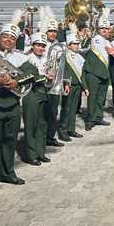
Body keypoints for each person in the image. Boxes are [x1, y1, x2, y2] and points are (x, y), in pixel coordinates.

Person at [0, 9, 39, 193]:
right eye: (5, 37)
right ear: (0, 37)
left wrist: (16, 81)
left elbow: (33, 73)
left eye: (12, 38)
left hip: (12, 106)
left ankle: (8, 173)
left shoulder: (20, 56)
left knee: (9, 140)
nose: (8, 40)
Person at [83, 9, 114, 130]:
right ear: (98, 29)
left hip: (104, 74)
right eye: (102, 28)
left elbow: (113, 53)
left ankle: (98, 117)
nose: (104, 30)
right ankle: (90, 120)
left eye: (106, 29)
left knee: (101, 98)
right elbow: (87, 43)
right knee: (92, 98)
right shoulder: (95, 38)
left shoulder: (107, 41)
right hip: (93, 73)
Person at [22, 31, 51, 165]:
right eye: (38, 45)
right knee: (31, 124)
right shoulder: (27, 58)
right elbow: (29, 77)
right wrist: (46, 77)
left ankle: (41, 152)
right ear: (32, 45)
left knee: (42, 124)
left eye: (43, 46)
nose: (41, 48)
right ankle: (31, 154)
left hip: (43, 91)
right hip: (31, 93)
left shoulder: (45, 58)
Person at [58, 23, 89, 142]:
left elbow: (82, 75)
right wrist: (65, 83)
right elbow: (63, 71)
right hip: (68, 86)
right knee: (66, 109)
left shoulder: (80, 57)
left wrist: (85, 87)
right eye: (74, 44)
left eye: (77, 44)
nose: (76, 46)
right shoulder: (64, 55)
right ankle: (63, 131)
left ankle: (71, 129)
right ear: (68, 45)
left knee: (73, 109)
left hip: (77, 86)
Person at [43, 11, 65, 148]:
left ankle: (50, 137)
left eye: (54, 31)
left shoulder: (59, 45)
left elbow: (63, 64)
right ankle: (42, 138)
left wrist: (64, 81)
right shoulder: (39, 44)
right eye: (50, 31)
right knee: (43, 114)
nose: (52, 33)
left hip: (55, 83)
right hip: (43, 84)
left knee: (53, 112)